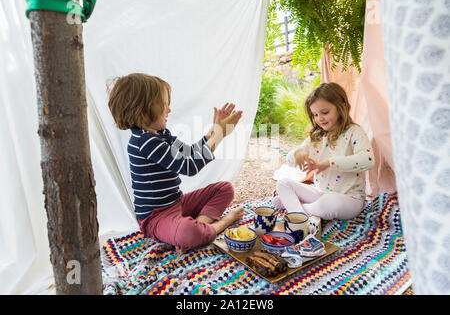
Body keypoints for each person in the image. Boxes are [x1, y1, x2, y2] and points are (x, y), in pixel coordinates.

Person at [107, 73, 244, 253]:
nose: (169, 110)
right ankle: (220, 224)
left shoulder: (161, 134)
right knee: (188, 232)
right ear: (144, 109)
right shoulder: (145, 142)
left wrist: (215, 130)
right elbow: (189, 166)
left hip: (177, 203)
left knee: (225, 188)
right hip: (155, 218)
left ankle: (197, 228)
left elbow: (189, 152)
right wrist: (220, 135)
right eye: (164, 104)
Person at [273, 82, 374, 228]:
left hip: (349, 199)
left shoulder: (354, 132)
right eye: (315, 114)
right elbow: (289, 161)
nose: (319, 118)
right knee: (282, 183)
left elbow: (368, 160)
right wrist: (298, 153)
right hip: (320, 193)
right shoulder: (317, 136)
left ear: (342, 107)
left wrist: (329, 163)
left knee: (331, 204)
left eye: (325, 112)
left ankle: (297, 211)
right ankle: (300, 213)